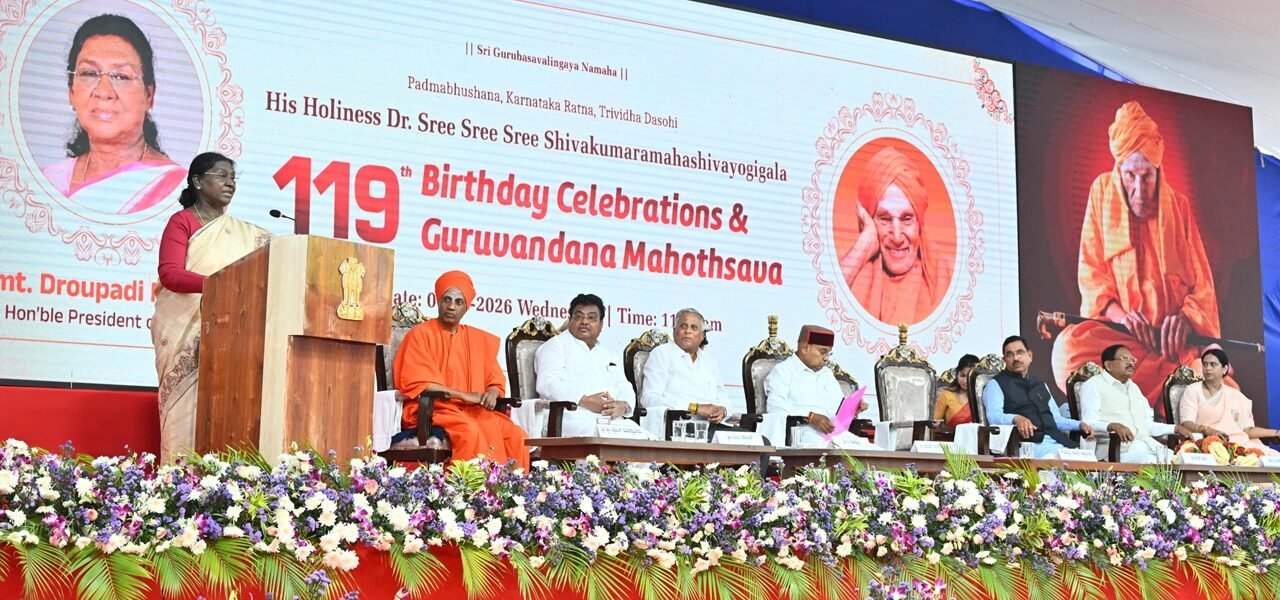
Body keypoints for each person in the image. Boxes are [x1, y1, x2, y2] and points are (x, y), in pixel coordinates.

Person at [1052, 101, 1220, 406]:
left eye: (1147, 177)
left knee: (1220, 385)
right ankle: (1171, 390)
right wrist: (1124, 317)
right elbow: (1091, 276)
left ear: (1159, 172)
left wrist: (1184, 319)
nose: (1140, 191)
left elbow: (1203, 288)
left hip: (1170, 347)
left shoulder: (1178, 205)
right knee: (1067, 349)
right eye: (1131, 176)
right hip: (1123, 339)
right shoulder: (1101, 191)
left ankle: (1169, 385)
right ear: (1119, 171)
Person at [151, 152, 269, 461]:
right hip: (185, 330)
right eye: (221, 175)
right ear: (198, 182)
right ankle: (177, 487)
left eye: (233, 177)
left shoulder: (247, 234)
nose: (230, 182)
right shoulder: (182, 222)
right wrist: (224, 285)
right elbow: (171, 274)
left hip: (232, 335)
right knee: (184, 419)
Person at [42, 14, 185, 214]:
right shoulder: (46, 181)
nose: (104, 92)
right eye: (89, 74)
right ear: (71, 92)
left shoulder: (178, 188)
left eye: (121, 76)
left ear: (149, 95)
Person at [393, 271, 531, 470]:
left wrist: (492, 392)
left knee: (515, 436)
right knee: (470, 431)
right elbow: (417, 383)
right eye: (447, 299)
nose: (451, 306)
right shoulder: (420, 335)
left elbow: (494, 380)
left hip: (473, 410)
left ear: (466, 307)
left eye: (458, 302)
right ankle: (466, 493)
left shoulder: (476, 340)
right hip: (434, 408)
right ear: (437, 301)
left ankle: (510, 494)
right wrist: (464, 396)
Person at [839, 146, 953, 325]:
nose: (897, 237)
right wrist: (863, 247)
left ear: (919, 221)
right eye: (884, 218)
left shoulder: (946, 278)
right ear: (867, 218)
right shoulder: (850, 268)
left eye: (907, 219)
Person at [534, 293, 636, 437]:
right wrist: (583, 400)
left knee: (649, 442)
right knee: (599, 436)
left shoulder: (609, 354)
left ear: (601, 325)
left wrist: (624, 405)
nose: (584, 322)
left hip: (610, 419)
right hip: (569, 416)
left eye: (592, 318)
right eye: (578, 316)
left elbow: (624, 385)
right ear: (570, 320)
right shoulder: (556, 346)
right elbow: (546, 383)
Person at [640, 308, 746, 440]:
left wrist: (722, 411)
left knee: (761, 442)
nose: (688, 331)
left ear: (702, 335)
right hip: (680, 426)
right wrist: (694, 408)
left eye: (694, 327)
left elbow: (724, 398)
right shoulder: (662, 354)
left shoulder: (710, 361)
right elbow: (649, 399)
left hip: (711, 426)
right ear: (674, 331)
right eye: (683, 326)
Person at [983, 335, 1094, 458]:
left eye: (1020, 352)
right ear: (1004, 360)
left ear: (1030, 355)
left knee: (1089, 463)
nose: (1016, 358)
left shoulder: (1040, 384)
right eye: (1010, 354)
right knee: (1056, 462)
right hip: (1027, 444)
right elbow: (993, 416)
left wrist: (1079, 425)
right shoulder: (996, 384)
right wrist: (1016, 418)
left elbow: (1055, 419)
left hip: (1057, 440)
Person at [764, 325, 874, 447]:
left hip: (833, 434)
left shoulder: (826, 373)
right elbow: (775, 409)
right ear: (805, 348)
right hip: (801, 434)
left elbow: (837, 411)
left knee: (871, 450)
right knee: (835, 449)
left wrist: (852, 409)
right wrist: (810, 417)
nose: (826, 358)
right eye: (823, 352)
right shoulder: (783, 372)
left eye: (829, 353)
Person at [1078, 344, 1192, 463]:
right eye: (1125, 359)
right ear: (1108, 365)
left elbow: (1146, 425)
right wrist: (1112, 426)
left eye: (1132, 359)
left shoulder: (1133, 387)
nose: (1131, 363)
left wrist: (1175, 428)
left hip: (1145, 446)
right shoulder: (1093, 385)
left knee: (1178, 460)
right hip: (1115, 451)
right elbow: (1088, 423)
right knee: (1151, 463)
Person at [1179, 349, 1279, 455]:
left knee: (1274, 458)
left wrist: (1276, 433)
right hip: (1212, 445)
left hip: (1241, 444)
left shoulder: (1236, 395)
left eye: (1213, 364)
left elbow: (1247, 430)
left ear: (1225, 369)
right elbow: (1186, 423)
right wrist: (1207, 430)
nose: (1208, 368)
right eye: (1205, 364)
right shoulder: (1193, 390)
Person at [934, 354, 979, 427]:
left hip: (978, 437)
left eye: (969, 377)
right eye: (962, 375)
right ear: (957, 374)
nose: (965, 381)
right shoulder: (947, 395)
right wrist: (936, 424)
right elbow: (935, 422)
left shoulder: (981, 396)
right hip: (952, 437)